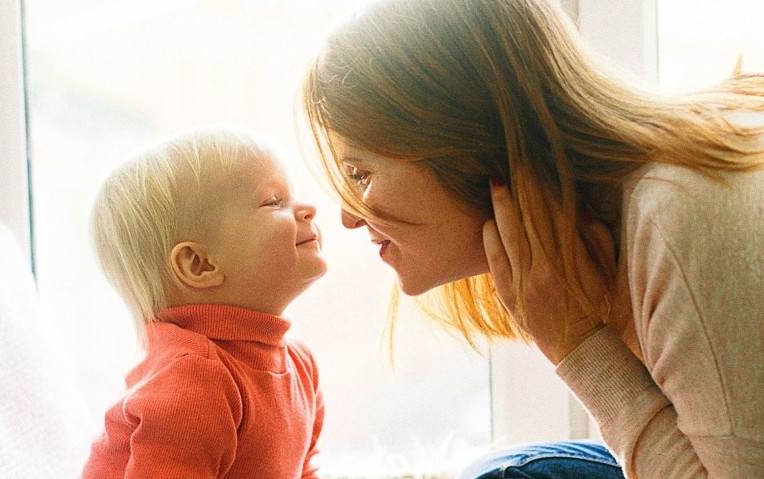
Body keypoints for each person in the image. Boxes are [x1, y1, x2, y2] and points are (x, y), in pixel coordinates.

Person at [297, 0, 764, 477]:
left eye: (358, 174)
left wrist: (579, 346)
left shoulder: (676, 218)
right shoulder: (627, 223)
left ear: (466, 142)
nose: (347, 219)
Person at [81, 125, 328, 478]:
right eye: (274, 202)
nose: (308, 209)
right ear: (200, 265)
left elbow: (305, 470)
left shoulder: (300, 364)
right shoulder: (194, 380)